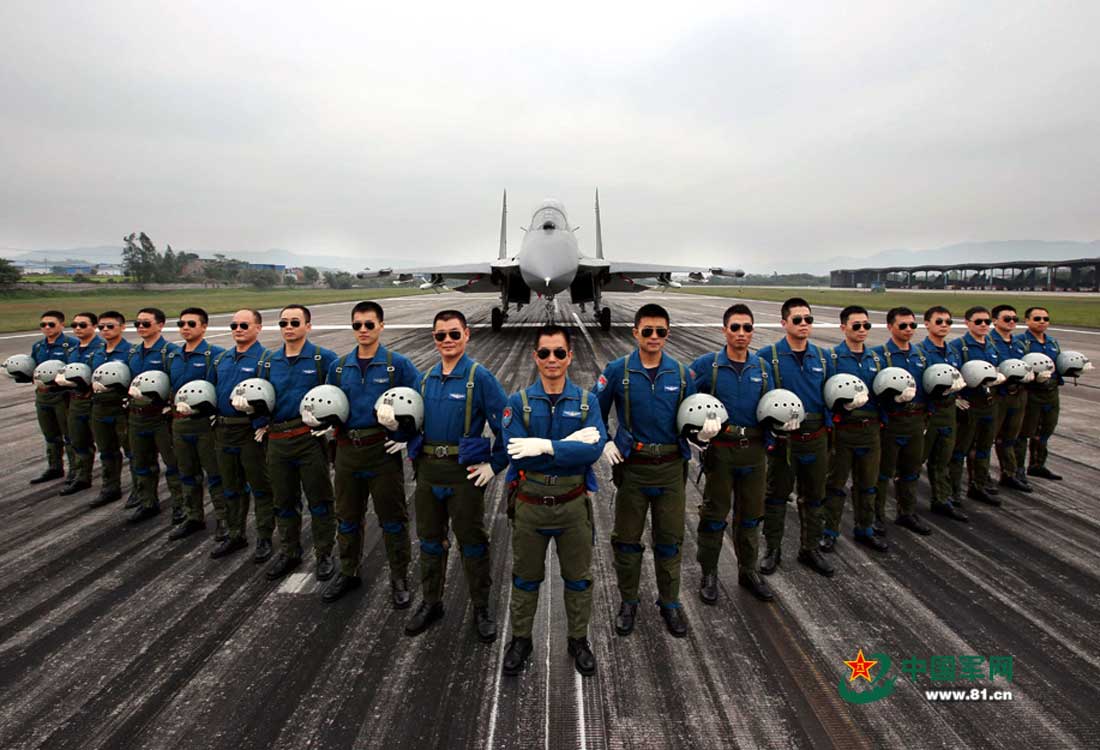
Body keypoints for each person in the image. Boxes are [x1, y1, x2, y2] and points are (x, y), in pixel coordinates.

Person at [501, 324, 608, 677]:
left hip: (572, 505)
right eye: (545, 352)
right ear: (535, 357)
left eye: (559, 352)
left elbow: (592, 451)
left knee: (578, 579)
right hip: (530, 505)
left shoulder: (587, 401)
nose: (552, 359)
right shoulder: (518, 403)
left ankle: (578, 640)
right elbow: (515, 453)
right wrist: (569, 446)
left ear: (569, 357)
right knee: (525, 578)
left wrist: (546, 446)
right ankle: (521, 639)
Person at [404, 310, 508, 642]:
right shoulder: (424, 380)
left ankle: (481, 607)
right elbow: (410, 422)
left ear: (466, 335)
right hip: (428, 472)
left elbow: (507, 425)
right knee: (430, 541)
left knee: (472, 542)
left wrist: (495, 463)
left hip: (463, 474)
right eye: (440, 335)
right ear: (434, 339)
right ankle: (431, 602)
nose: (447, 340)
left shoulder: (481, 378)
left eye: (453, 333)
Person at [595, 303, 694, 637]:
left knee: (670, 541)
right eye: (647, 331)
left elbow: (694, 416)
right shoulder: (617, 371)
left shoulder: (681, 374)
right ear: (635, 332)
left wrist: (704, 434)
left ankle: (670, 603)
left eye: (660, 331)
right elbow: (594, 411)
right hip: (633, 468)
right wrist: (605, 441)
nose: (654, 337)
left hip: (670, 468)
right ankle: (629, 602)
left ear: (667, 334)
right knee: (626, 541)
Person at [321, 301, 420, 605]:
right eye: (357, 325)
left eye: (369, 324)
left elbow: (418, 404)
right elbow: (329, 403)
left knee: (393, 518)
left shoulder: (397, 365)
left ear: (381, 326)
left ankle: (399, 576)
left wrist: (404, 436)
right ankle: (348, 571)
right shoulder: (339, 367)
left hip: (381, 451)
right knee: (347, 517)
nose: (362, 330)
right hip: (347, 451)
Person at [689, 303, 776, 603]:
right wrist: (697, 434)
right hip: (721, 452)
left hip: (754, 452)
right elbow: (686, 400)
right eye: (735, 327)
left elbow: (771, 406)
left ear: (752, 331)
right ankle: (709, 573)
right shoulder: (707, 366)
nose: (741, 333)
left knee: (751, 517)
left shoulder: (762, 368)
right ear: (724, 330)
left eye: (747, 327)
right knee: (714, 516)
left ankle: (748, 570)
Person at [260, 304, 339, 583]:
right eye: (283, 323)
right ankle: (289, 550)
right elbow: (262, 398)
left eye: (295, 322)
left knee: (320, 499)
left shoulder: (323, 359)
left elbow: (338, 394)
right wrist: (258, 420)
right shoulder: (269, 361)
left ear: (308, 326)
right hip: (278, 439)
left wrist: (331, 424)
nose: (289, 327)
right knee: (283, 500)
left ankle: (325, 552)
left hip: (309, 438)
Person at [760, 298, 834, 577]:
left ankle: (810, 548)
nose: (804, 324)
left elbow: (830, 396)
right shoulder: (768, 357)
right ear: (784, 323)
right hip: (784, 439)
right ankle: (773, 548)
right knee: (776, 495)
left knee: (814, 495)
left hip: (815, 436)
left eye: (808, 319)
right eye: (798, 320)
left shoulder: (823, 358)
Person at [209, 309, 275, 561]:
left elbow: (272, 396)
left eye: (244, 325)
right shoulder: (221, 359)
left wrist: (263, 423)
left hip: (249, 431)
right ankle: (235, 533)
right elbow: (211, 389)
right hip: (223, 430)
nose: (238, 329)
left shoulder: (266, 360)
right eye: (234, 325)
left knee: (261, 487)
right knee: (231, 486)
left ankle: (264, 537)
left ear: (258, 328)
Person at [823, 305, 889, 552]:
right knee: (835, 484)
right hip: (843, 430)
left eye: (866, 325)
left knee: (868, 484)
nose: (862, 330)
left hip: (870, 430)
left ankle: (865, 528)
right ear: (843, 327)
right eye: (856, 325)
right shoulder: (832, 359)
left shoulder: (877, 360)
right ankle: (829, 531)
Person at [167, 307, 227, 541]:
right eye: (181, 324)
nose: (185, 328)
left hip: (205, 425)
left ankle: (224, 519)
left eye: (191, 324)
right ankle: (193, 516)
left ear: (204, 327)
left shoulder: (216, 356)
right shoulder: (173, 356)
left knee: (215, 474)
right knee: (187, 473)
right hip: (180, 424)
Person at [872, 307, 932, 536]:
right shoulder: (878, 356)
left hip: (916, 420)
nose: (909, 330)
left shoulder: (921, 356)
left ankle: (907, 512)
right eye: (903, 325)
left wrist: (928, 413)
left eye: (912, 325)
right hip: (892, 421)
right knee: (882, 472)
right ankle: (876, 515)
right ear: (890, 327)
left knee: (911, 469)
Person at [124, 307, 183, 524]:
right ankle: (147, 502)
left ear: (160, 325)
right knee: (141, 462)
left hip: (161, 417)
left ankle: (181, 506)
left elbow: (177, 383)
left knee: (173, 464)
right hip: (137, 416)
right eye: (137, 323)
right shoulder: (133, 353)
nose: (140, 327)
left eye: (146, 323)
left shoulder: (171, 353)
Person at [948, 306, 1003, 507]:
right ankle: (953, 491)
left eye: (987, 322)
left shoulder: (991, 345)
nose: (983, 325)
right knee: (960, 450)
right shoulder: (957, 347)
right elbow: (950, 374)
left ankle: (978, 485)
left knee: (984, 448)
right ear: (967, 323)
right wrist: (955, 397)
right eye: (978, 321)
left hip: (988, 403)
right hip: (968, 404)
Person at [918, 306, 969, 521]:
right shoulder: (919, 353)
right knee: (916, 460)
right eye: (939, 321)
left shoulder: (953, 352)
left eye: (948, 322)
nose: (944, 326)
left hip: (948, 411)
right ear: (927, 324)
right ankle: (905, 505)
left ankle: (942, 499)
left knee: (943, 458)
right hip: (928, 412)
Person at [87, 311, 133, 508]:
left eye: (110, 326)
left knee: (133, 452)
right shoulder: (96, 354)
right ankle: (110, 487)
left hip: (121, 409)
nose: (105, 330)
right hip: (99, 407)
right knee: (106, 450)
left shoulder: (131, 353)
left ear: (122, 327)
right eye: (101, 327)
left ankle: (140, 491)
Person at [1013, 306, 1063, 481]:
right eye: (1037, 319)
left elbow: (1058, 365)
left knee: (1046, 429)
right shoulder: (1019, 343)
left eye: (1045, 319)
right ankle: (1018, 469)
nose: (1042, 322)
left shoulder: (1052, 342)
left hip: (1051, 391)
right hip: (1030, 392)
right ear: (1027, 321)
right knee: (1024, 431)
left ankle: (1037, 464)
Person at [30, 310, 78, 484]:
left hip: (63, 396)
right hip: (43, 395)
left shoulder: (72, 345)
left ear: (62, 325)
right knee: (50, 434)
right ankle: (55, 467)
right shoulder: (38, 346)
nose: (47, 328)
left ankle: (75, 470)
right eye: (43, 325)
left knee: (69, 434)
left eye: (51, 324)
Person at [57, 312, 103, 495]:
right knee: (78, 441)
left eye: (83, 325)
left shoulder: (102, 349)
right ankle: (81, 477)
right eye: (74, 325)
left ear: (94, 326)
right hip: (76, 401)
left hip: (96, 402)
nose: (77, 328)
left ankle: (112, 484)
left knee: (107, 446)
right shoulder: (73, 351)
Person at [990, 304, 1032, 492]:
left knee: (1010, 437)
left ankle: (1009, 473)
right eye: (1007, 319)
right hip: (998, 396)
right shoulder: (989, 343)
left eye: (1014, 319)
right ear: (995, 321)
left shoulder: (1019, 344)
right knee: (986, 438)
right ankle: (980, 479)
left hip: (1018, 395)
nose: (1012, 322)